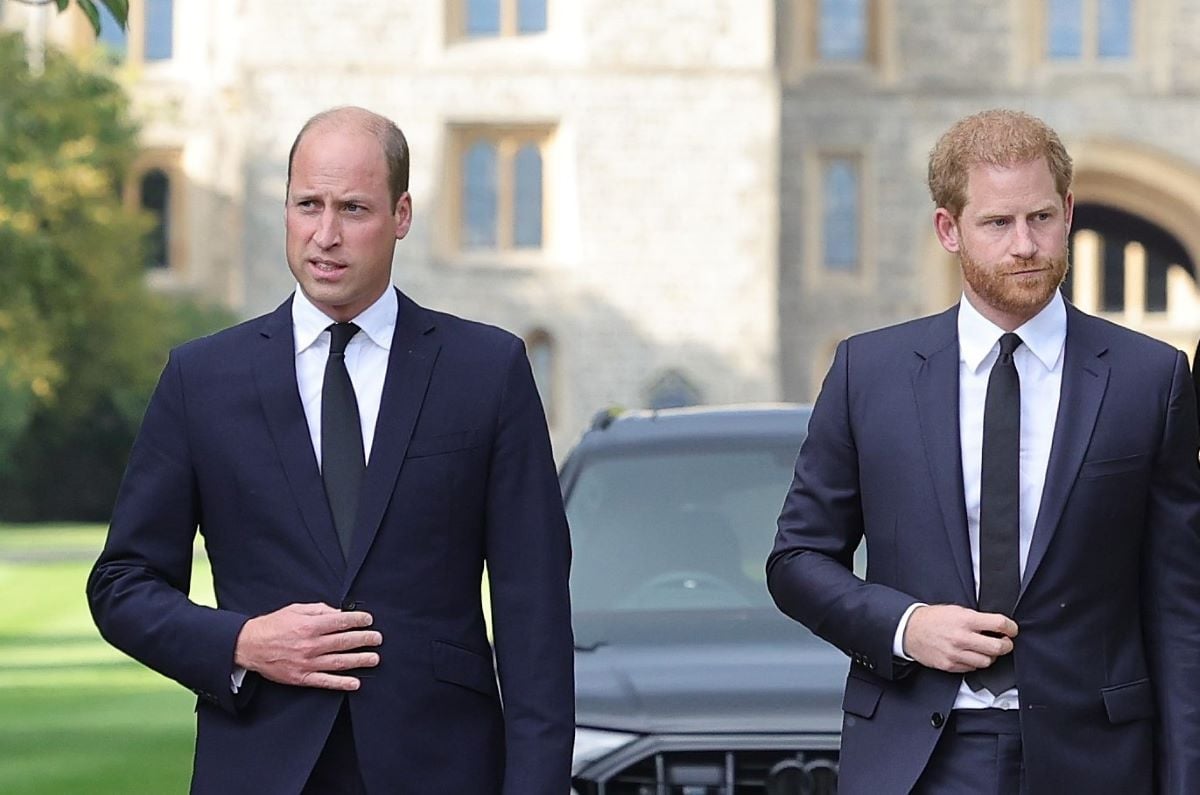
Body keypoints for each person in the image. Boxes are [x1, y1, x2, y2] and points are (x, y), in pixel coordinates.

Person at [87, 106, 574, 794]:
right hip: (259, 765)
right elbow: (122, 584)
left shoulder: (488, 371)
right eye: (307, 204)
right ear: (285, 207)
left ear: (402, 214)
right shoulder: (201, 380)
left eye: (353, 208)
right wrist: (240, 642)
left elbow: (536, 619)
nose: (326, 235)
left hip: (443, 767)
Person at [767, 109, 1200, 794]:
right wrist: (907, 626)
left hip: (1098, 762)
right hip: (921, 757)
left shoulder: (1150, 379)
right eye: (998, 223)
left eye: (1041, 218)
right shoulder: (867, 373)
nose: (1025, 244)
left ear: (1068, 211)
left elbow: (1181, 610)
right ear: (950, 229)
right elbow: (796, 560)